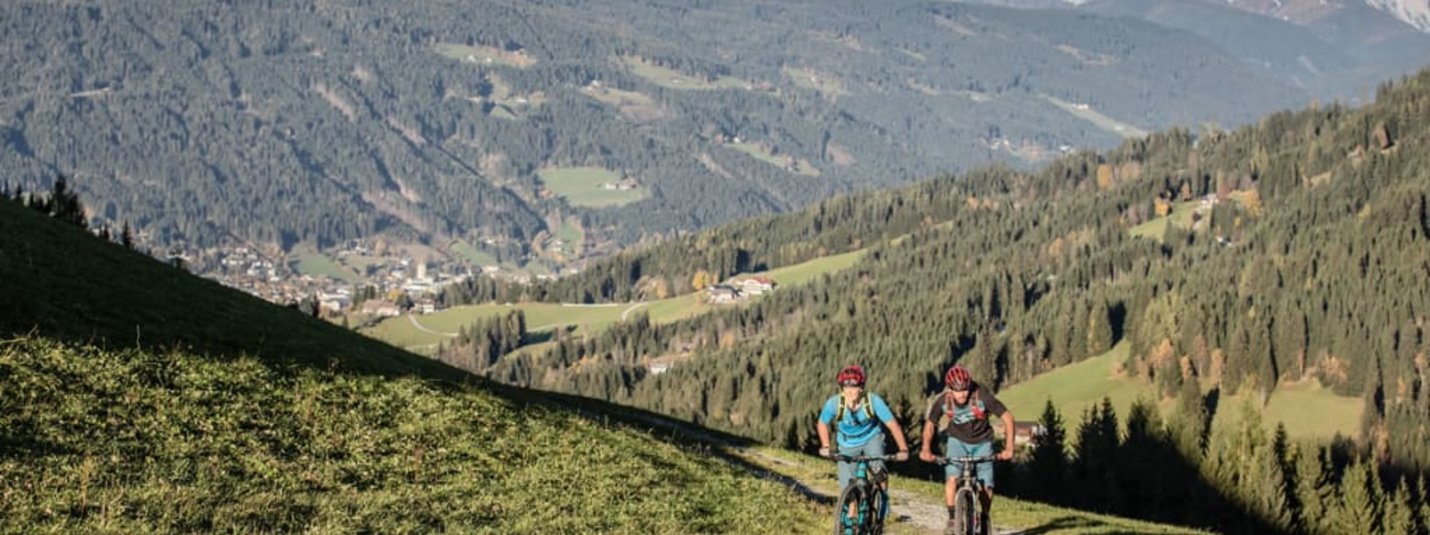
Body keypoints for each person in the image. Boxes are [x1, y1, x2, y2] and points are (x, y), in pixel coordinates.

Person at [920, 365, 1015, 535]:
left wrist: (1009, 448)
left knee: (986, 485)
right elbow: (930, 425)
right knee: (952, 478)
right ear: (950, 389)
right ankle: (952, 518)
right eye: (958, 391)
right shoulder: (943, 401)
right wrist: (925, 449)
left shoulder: (982, 397)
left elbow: (1008, 418)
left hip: (983, 442)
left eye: (965, 389)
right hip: (957, 441)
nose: (962, 394)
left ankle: (984, 515)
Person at [817, 365, 910, 495]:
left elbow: (893, 425)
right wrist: (826, 446)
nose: (849, 391)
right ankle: (851, 513)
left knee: (878, 472)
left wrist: (903, 449)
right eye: (845, 386)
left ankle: (882, 500)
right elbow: (822, 423)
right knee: (847, 490)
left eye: (853, 386)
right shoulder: (834, 403)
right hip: (846, 443)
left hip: (871, 438)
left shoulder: (873, 401)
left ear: (861, 388)